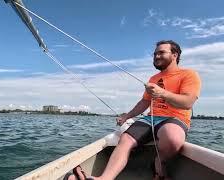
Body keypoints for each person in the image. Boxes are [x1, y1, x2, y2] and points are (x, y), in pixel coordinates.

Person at [67, 40, 201, 180]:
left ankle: (158, 162)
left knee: (172, 138)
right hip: (150, 119)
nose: (156, 56)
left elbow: (188, 102)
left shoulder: (189, 75)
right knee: (125, 139)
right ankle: (105, 178)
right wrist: (127, 116)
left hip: (175, 119)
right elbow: (145, 102)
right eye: (155, 54)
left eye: (161, 52)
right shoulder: (153, 78)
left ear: (175, 55)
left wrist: (162, 93)